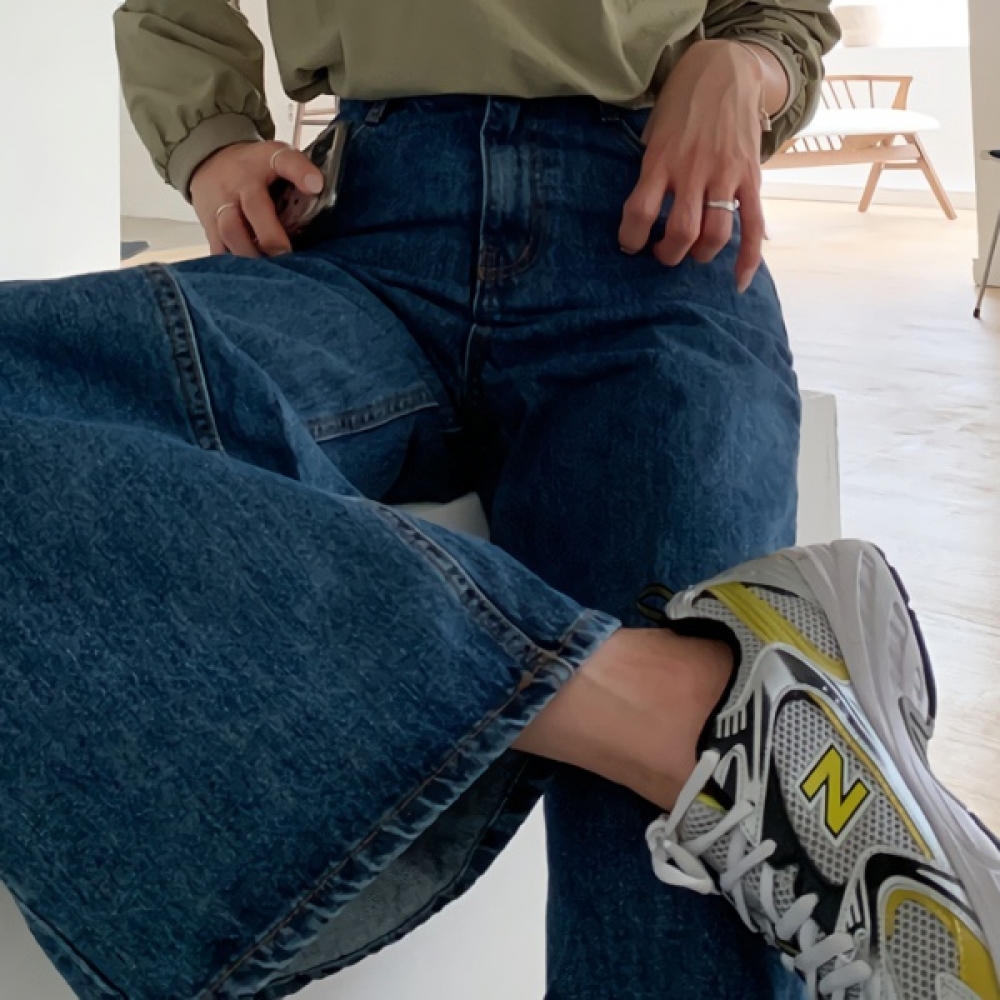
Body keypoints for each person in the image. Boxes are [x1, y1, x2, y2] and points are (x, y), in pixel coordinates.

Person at [0, 1, 996, 997]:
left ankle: (695, 725)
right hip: (351, 237)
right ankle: (672, 707)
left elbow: (781, 13)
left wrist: (746, 64)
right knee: (717, 786)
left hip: (648, 236)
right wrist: (210, 138)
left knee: (671, 871)